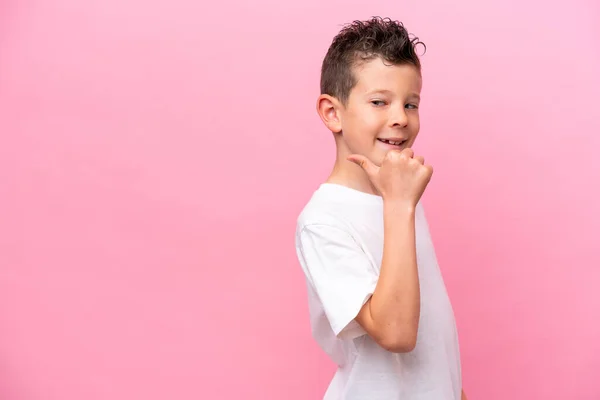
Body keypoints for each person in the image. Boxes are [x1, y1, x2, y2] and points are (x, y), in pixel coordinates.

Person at [294, 17, 466, 400]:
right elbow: (397, 333)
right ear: (332, 113)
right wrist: (400, 204)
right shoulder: (323, 221)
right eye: (379, 102)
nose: (401, 118)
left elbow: (432, 333)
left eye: (411, 103)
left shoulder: (396, 194)